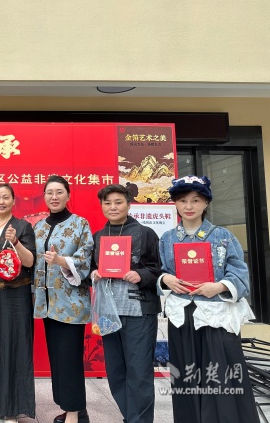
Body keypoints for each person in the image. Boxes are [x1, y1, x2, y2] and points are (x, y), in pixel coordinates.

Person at [158, 175, 259, 423]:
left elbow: (240, 273)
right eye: (183, 200)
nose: (189, 206)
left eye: (196, 200)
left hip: (216, 316)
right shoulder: (167, 238)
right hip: (183, 317)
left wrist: (219, 286)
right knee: (187, 376)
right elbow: (160, 270)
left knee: (221, 376)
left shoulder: (222, 236)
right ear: (175, 204)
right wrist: (165, 279)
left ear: (206, 203)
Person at [90, 184, 161, 423]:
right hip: (108, 312)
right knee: (116, 371)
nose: (113, 207)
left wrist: (141, 275)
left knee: (139, 372)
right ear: (102, 206)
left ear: (129, 205)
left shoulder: (145, 233)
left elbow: (159, 269)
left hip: (138, 311)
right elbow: (91, 269)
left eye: (118, 202)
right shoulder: (98, 236)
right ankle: (131, 416)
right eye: (107, 203)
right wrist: (94, 274)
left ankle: (139, 420)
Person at [33, 175, 93, 423]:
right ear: (44, 196)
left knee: (69, 359)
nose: (54, 197)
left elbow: (86, 258)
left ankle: (74, 414)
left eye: (59, 192)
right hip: (47, 304)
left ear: (68, 195)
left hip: (71, 304)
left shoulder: (80, 224)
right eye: (50, 192)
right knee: (58, 360)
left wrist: (61, 261)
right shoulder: (39, 226)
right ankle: (72, 407)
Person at [0, 184, 36, 423]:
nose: (1, 202)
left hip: (15, 294)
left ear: (13, 201)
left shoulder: (22, 227)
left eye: (5, 197)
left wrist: (16, 242)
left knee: (13, 345)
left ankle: (12, 409)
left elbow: (30, 262)